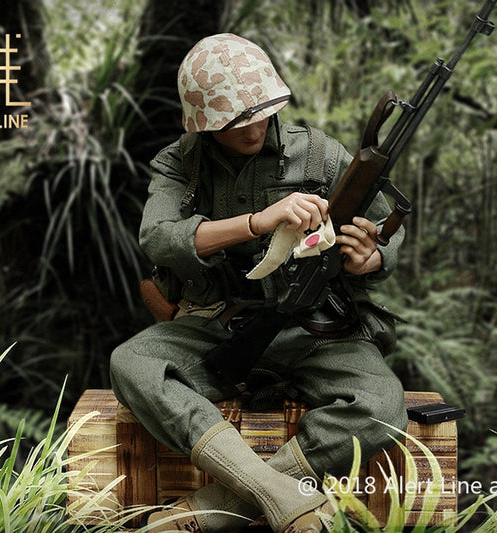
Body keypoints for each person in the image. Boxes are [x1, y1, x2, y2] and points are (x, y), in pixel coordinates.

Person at [110, 33, 407, 533]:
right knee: (132, 364)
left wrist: (369, 258)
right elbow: (159, 238)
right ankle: (279, 495)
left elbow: (384, 234)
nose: (252, 129)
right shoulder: (180, 163)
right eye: (235, 122)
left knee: (381, 404)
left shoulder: (319, 156)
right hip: (216, 323)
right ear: (205, 124)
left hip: (312, 325)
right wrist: (257, 221)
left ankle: (220, 506)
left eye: (260, 113)